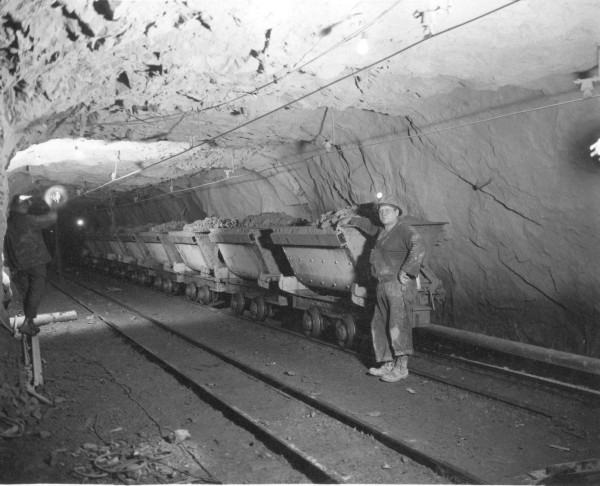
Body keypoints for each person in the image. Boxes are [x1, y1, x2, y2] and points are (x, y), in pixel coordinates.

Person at [340, 194, 426, 382]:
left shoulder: (404, 229)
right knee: (379, 325)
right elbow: (369, 227)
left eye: (388, 210)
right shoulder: (383, 231)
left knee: (398, 325)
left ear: (397, 212)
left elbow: (418, 245)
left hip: (398, 285)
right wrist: (351, 219)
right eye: (381, 211)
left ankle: (401, 368)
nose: (384, 213)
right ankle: (387, 364)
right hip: (382, 284)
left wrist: (407, 271)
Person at [4, 194, 58, 336]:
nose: (28, 205)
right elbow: (49, 219)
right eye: (26, 203)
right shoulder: (28, 219)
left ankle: (30, 322)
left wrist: (9, 263)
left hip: (19, 263)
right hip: (35, 260)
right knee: (36, 290)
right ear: (21, 206)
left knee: (28, 291)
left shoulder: (8, 221)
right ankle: (28, 322)